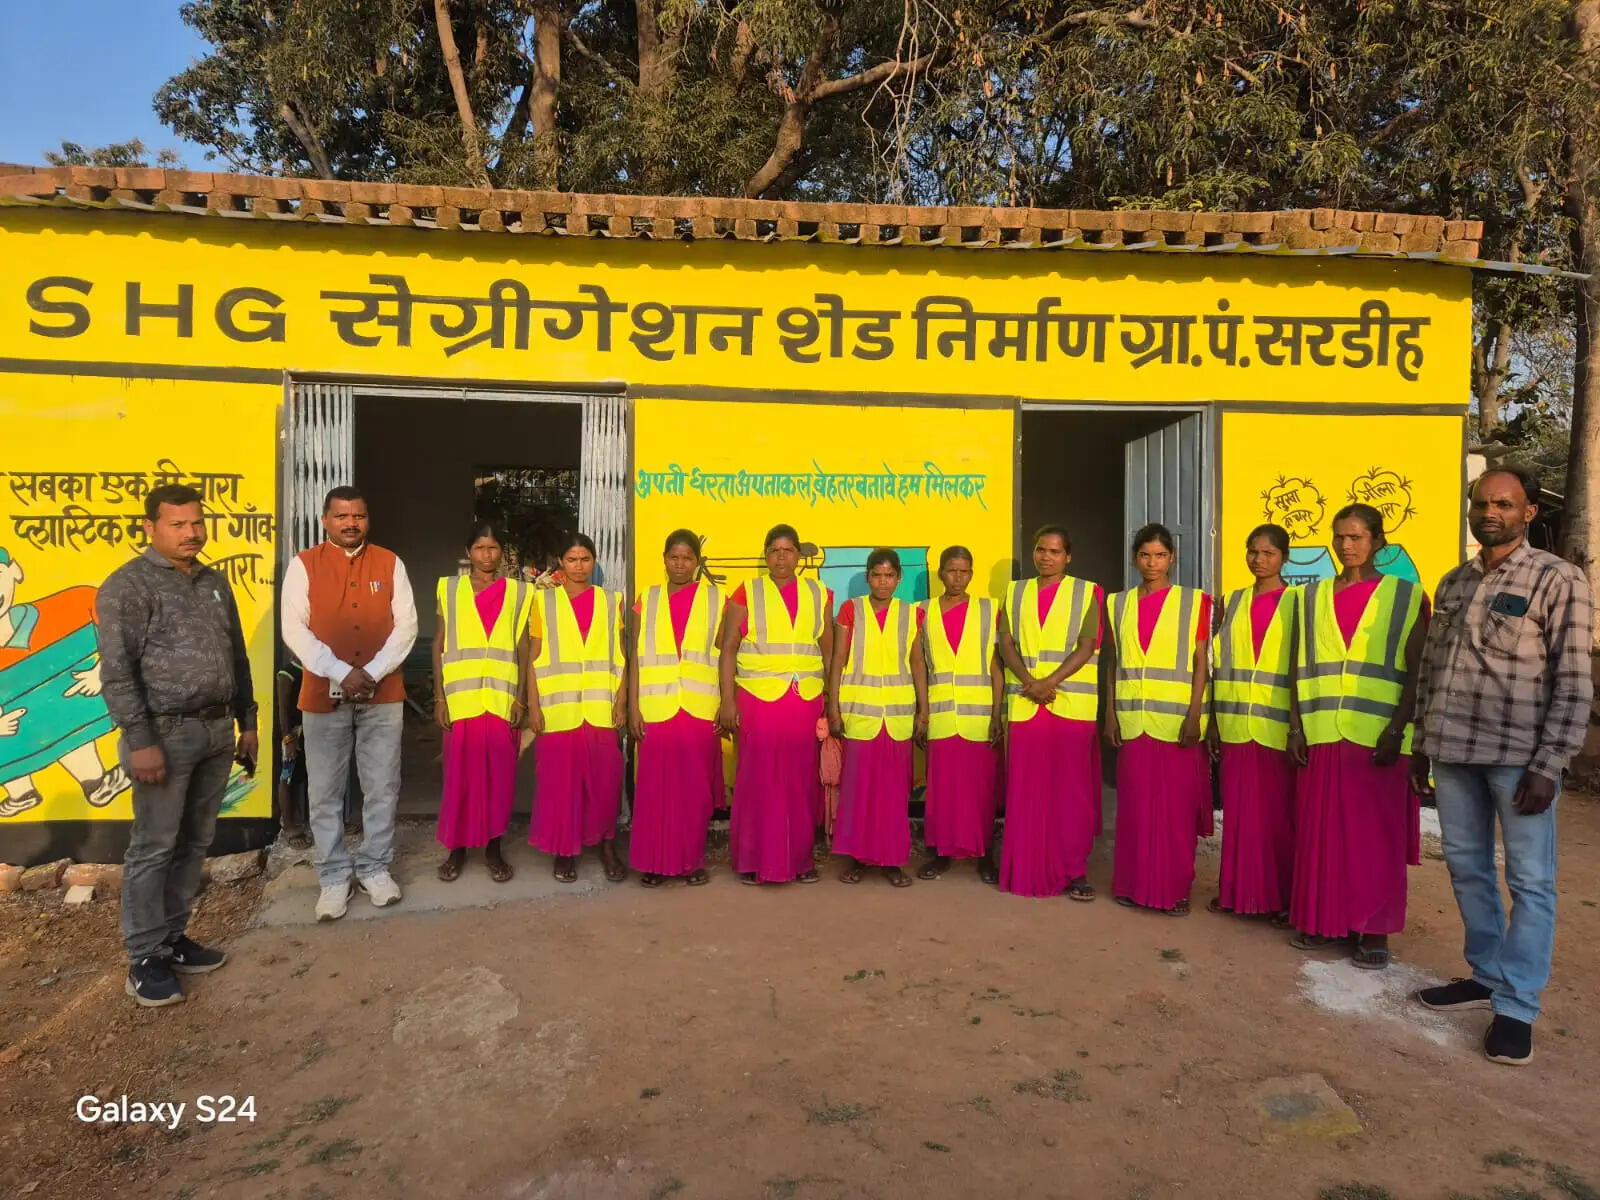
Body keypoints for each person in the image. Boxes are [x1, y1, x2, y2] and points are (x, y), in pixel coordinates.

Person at [1411, 468, 1594, 1066]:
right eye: (1481, 503)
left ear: (1529, 511)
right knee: (1467, 868)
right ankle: (1486, 974)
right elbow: (1432, 667)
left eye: (1504, 504)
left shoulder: (1558, 579)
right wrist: (1420, 741)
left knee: (1531, 882)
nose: (1489, 512)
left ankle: (1516, 1006)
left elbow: (1572, 679)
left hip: (1520, 760)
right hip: (1454, 751)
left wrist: (1552, 762)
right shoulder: (1454, 580)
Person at [96, 484, 258, 1007]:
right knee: (154, 846)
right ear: (150, 527)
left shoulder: (214, 581)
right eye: (178, 524)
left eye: (196, 522)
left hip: (215, 731)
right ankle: (144, 957)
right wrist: (139, 740)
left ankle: (172, 938)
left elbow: (237, 657)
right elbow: (118, 674)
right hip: (163, 736)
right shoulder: (128, 586)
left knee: (194, 843)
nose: (191, 532)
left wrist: (247, 721)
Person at [1287, 503, 1426, 969]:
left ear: (1377, 541)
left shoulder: (1406, 596)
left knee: (1374, 837)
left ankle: (1374, 930)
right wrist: (1295, 725)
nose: (1346, 545)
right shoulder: (1310, 597)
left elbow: (1416, 673)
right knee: (1321, 832)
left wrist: (1398, 729)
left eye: (1356, 537)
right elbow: (1297, 665)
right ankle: (1324, 919)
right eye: (1340, 537)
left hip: (1379, 739)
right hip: (1323, 730)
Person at [281, 485, 418, 922]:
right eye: (341, 516)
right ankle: (334, 876)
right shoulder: (303, 566)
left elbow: (407, 627)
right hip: (323, 696)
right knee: (325, 792)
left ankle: (376, 867)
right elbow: (294, 630)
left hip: (383, 695)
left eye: (358, 515)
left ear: (367, 519)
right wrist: (342, 672)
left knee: (382, 786)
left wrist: (372, 673)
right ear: (326, 521)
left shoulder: (390, 562)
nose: (350, 523)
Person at [1104, 524, 1212, 916]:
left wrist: (1195, 713)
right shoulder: (1118, 603)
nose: (1152, 563)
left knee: (1175, 812)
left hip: (1176, 722)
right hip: (1134, 721)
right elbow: (1114, 662)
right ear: (1135, 558)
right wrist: (1110, 713)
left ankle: (1174, 888)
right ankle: (1133, 884)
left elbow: (1201, 661)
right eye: (1145, 555)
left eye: (1160, 555)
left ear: (1173, 559)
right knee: (1135, 809)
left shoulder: (1193, 601)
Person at [718, 524, 834, 885]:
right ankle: (754, 860)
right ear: (765, 555)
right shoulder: (746, 592)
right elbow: (728, 650)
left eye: (788, 551)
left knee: (800, 782)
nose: (781, 557)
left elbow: (828, 651)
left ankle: (799, 860)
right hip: (757, 700)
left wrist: (831, 698)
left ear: (798, 556)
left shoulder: (819, 593)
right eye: (774, 550)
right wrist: (726, 701)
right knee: (758, 780)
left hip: (804, 700)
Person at [996, 527, 1104, 899]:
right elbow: (1006, 643)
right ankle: (1025, 867)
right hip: (1028, 704)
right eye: (1041, 550)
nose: (1046, 557)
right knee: (1027, 790)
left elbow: (1088, 645)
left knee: (1071, 793)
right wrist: (1029, 681)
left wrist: (1049, 681)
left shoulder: (1087, 592)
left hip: (1070, 705)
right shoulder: (1015, 591)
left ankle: (1074, 871)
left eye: (1055, 551)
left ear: (1068, 557)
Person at [432, 522, 533, 885]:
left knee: (499, 779)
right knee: (460, 779)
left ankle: (493, 849)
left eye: (493, 548)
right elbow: (438, 643)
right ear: (469, 551)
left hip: (502, 699)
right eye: (480, 548)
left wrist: (520, 697)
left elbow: (522, 646)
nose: (486, 555)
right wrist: (440, 696)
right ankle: (457, 850)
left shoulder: (521, 593)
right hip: (461, 700)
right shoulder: (450, 588)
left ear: (502, 552)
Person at [1207, 524, 1297, 921]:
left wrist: (1298, 727)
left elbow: (1301, 667)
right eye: (1253, 552)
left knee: (1277, 819)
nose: (1259, 560)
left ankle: (1278, 899)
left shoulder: (1298, 601)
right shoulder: (1233, 602)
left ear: (1284, 557)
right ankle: (1238, 894)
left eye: (1268, 553)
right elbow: (1216, 663)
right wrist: (1212, 721)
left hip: (1277, 729)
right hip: (1235, 724)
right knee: (1240, 817)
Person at [0, 545, 131, 818]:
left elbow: (124, 630)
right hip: (15, 729)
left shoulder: (69, 605)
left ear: (15, 572)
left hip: (75, 705)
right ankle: (20, 792)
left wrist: (102, 670)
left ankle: (96, 781)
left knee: (62, 714)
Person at [628, 529, 725, 888]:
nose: (680, 564)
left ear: (697, 563)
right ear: (664, 559)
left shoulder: (719, 599)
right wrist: (633, 708)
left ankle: (689, 860)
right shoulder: (646, 600)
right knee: (654, 791)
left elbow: (725, 656)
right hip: (655, 707)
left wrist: (725, 703)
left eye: (687, 558)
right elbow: (635, 657)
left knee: (693, 791)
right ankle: (653, 862)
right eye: (674, 557)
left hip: (699, 708)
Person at [528, 532, 627, 883]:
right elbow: (533, 657)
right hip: (559, 709)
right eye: (572, 559)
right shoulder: (544, 603)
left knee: (605, 782)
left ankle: (605, 845)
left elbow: (620, 657)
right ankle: (563, 849)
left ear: (594, 561)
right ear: (560, 562)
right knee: (560, 784)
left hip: (600, 707)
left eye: (586, 559)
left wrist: (622, 700)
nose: (580, 566)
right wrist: (534, 707)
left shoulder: (609, 601)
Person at [828, 548, 927, 887]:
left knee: (893, 793)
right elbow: (838, 661)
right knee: (859, 790)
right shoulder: (850, 610)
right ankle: (857, 858)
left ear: (899, 579)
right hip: (861, 715)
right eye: (877, 575)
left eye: (889, 576)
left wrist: (923, 711)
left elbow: (916, 663)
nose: (883, 582)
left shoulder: (910, 615)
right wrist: (833, 708)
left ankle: (891, 860)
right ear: (868, 576)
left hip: (898, 715)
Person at [918, 546, 1005, 883]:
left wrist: (998, 714)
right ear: (941, 573)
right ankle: (941, 853)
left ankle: (983, 855)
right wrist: (922, 715)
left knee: (980, 790)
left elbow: (997, 667)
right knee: (942, 789)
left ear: (972, 573)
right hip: (940, 714)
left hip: (979, 715)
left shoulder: (988, 610)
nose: (958, 578)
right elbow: (921, 669)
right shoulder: (922, 612)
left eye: (965, 571)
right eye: (952, 571)